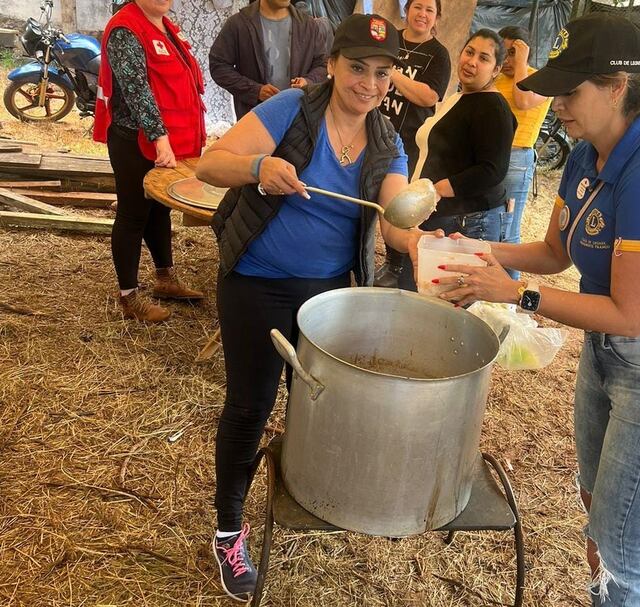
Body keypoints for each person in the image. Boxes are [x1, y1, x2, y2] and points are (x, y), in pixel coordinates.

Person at [433, 13, 640, 606]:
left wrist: (517, 293)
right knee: (597, 512)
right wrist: (476, 248)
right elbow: (553, 250)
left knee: (623, 557)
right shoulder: (585, 156)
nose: (555, 104)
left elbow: (632, 314)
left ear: (618, 87)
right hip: (606, 354)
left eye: (571, 91)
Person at [195, 14, 439, 601]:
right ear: (331, 65)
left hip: (329, 297)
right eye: (358, 67)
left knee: (316, 407)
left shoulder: (387, 142)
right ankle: (229, 528)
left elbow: (394, 224)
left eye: (383, 72)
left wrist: (430, 244)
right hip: (257, 284)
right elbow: (209, 163)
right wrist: (260, 167)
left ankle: (305, 493)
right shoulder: (290, 112)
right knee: (249, 407)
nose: (370, 83)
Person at [94, 0, 205, 322]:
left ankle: (165, 278)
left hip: (167, 139)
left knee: (160, 208)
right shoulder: (126, 28)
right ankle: (129, 296)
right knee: (133, 214)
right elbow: (136, 89)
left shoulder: (164, 23)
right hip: (136, 139)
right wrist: (160, 137)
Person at [396, 28, 516, 291]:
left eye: (484, 58)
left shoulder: (493, 108)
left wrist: (435, 191)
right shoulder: (462, 97)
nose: (472, 61)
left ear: (496, 70)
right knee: (420, 294)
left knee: (441, 300)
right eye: (469, 52)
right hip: (443, 217)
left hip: (466, 222)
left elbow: (491, 170)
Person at [375, 0, 451, 287]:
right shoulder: (389, 38)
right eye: (417, 7)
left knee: (398, 206)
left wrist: (392, 73)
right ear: (407, 9)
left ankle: (394, 266)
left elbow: (429, 96)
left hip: (407, 143)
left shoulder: (438, 54)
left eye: (429, 10)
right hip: (371, 134)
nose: (422, 14)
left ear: (436, 18)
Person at [209, 0, 329, 120]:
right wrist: (255, 91)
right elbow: (219, 66)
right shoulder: (238, 24)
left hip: (299, 119)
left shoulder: (308, 26)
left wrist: (308, 82)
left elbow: (323, 65)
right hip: (255, 120)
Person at [496, 26, 551, 279]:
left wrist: (521, 63)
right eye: (503, 52)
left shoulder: (539, 79)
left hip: (516, 159)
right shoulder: (494, 78)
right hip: (488, 157)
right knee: (484, 225)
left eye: (512, 52)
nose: (506, 59)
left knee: (508, 231)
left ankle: (508, 293)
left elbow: (523, 101)